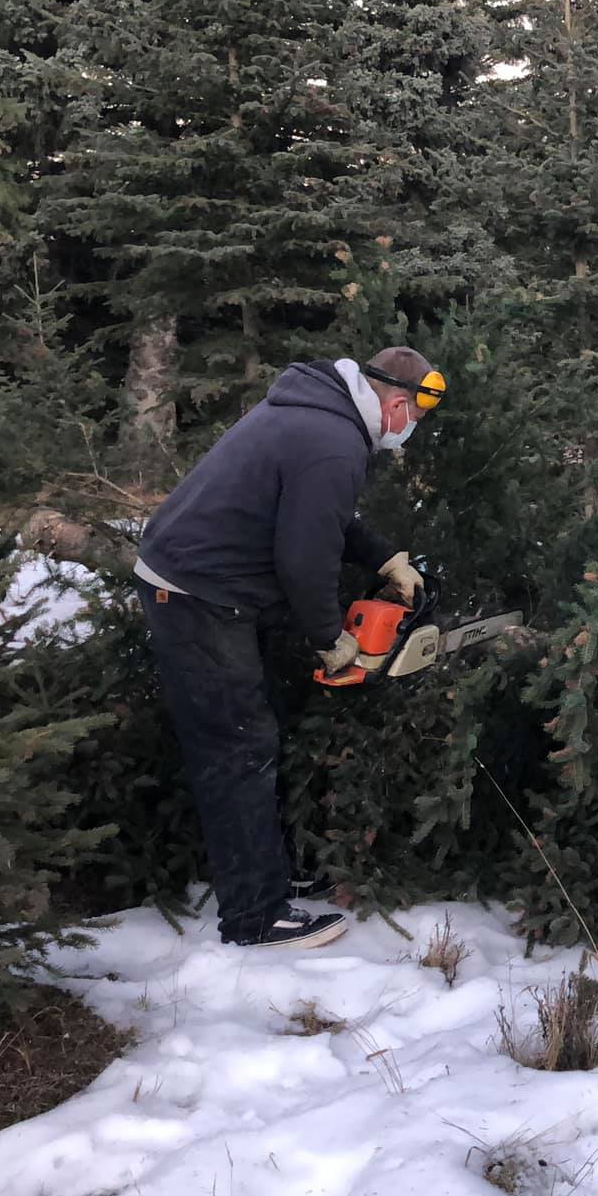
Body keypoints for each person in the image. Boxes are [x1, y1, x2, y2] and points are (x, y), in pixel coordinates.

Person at [132, 348, 443, 949]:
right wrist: (332, 639)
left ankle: (263, 873)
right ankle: (254, 914)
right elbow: (304, 556)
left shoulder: (317, 411)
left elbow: (326, 516)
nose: (407, 432)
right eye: (412, 421)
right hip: (197, 591)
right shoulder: (333, 440)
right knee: (239, 745)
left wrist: (384, 557)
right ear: (399, 404)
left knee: (252, 730)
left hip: (204, 581)